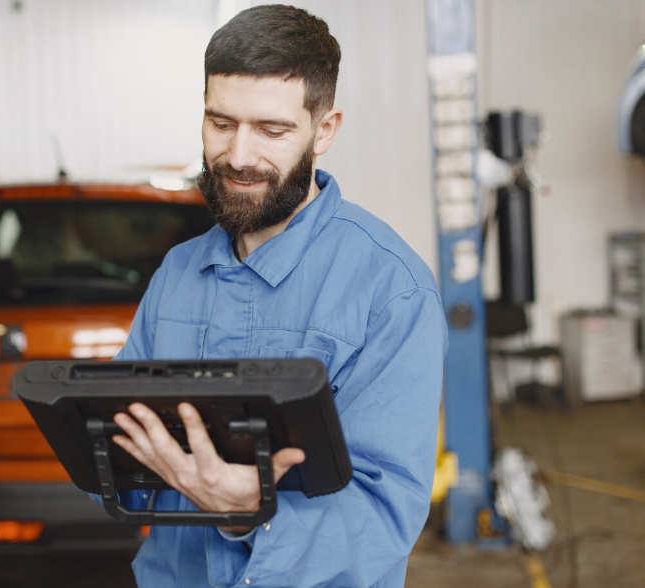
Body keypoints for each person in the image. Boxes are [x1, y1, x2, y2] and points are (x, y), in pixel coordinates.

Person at [108, 5, 447, 587]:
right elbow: (123, 464)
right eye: (221, 123)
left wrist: (248, 513)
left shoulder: (391, 291)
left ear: (326, 130)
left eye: (271, 130)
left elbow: (384, 515)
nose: (238, 156)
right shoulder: (177, 273)